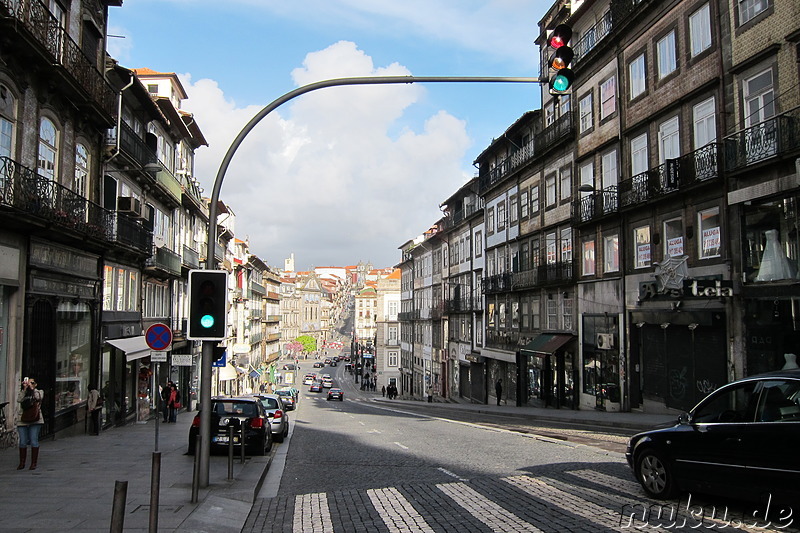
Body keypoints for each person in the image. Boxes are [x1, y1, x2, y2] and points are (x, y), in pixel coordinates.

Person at [17, 377, 44, 470]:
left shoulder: (39, 391)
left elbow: (38, 398)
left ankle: (33, 463)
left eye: (32, 382)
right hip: (23, 419)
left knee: (33, 440)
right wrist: (25, 389)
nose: (29, 384)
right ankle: (22, 462)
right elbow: (19, 399)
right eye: (28, 382)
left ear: (35, 384)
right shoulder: (23, 392)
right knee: (23, 441)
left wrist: (32, 389)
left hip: (35, 418)